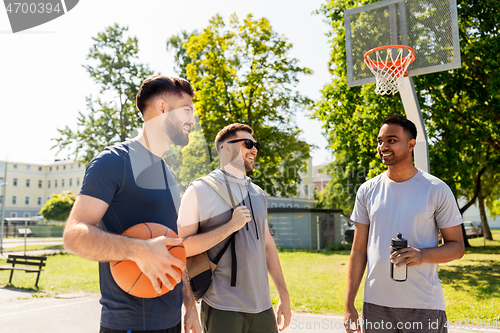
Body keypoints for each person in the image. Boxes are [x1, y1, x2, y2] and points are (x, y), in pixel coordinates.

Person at [63, 76, 201, 333]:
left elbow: (175, 246)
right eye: (187, 110)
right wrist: (139, 250)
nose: (192, 120)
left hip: (172, 322)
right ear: (162, 109)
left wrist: (190, 307)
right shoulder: (114, 161)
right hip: (128, 325)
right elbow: (73, 235)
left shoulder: (169, 175)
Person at [344, 115, 465, 333]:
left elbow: (457, 247)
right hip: (376, 305)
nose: (383, 146)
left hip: (423, 305)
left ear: (411, 145)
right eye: (380, 141)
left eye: (391, 140)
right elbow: (359, 249)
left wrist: (421, 255)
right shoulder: (367, 190)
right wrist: (349, 304)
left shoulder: (435, 189)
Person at [177, 123, 292, 333]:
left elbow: (267, 247)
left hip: (262, 308)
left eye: (255, 144)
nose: (254, 149)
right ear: (226, 148)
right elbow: (181, 248)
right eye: (248, 143)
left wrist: (283, 297)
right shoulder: (199, 190)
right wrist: (230, 227)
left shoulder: (258, 193)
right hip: (222, 308)